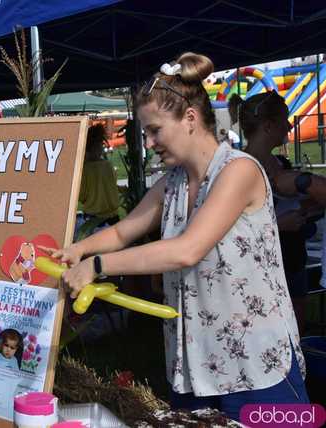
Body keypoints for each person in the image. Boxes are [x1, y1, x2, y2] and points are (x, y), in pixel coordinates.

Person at [42, 52, 308, 420]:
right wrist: (77, 250)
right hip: (195, 369)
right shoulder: (174, 183)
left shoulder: (239, 171)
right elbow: (122, 230)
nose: (148, 142)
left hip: (255, 367)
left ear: (190, 118)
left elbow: (187, 250)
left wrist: (97, 265)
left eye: (154, 130)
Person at [230, 92, 322, 334]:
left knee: (296, 328)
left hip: (292, 258)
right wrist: (280, 225)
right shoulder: (238, 169)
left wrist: (308, 207)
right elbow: (229, 227)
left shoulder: (281, 163)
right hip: (261, 267)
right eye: (285, 119)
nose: (290, 125)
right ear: (269, 126)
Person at [75, 123, 120, 241]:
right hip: (114, 218)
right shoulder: (108, 166)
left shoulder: (85, 170)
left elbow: (81, 195)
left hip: (94, 221)